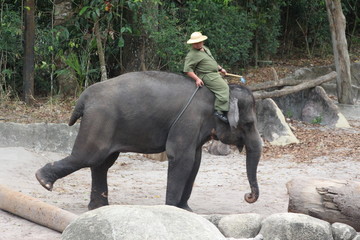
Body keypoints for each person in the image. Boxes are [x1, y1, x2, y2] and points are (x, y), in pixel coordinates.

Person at [183, 32, 230, 123]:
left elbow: (212, 61)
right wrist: (197, 79)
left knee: (227, 85)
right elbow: (187, 70)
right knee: (224, 88)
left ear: (202, 41)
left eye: (199, 42)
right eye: (195, 43)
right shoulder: (192, 55)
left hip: (215, 73)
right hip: (206, 75)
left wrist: (220, 69)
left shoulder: (205, 49)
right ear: (192, 43)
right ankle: (219, 111)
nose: (197, 44)